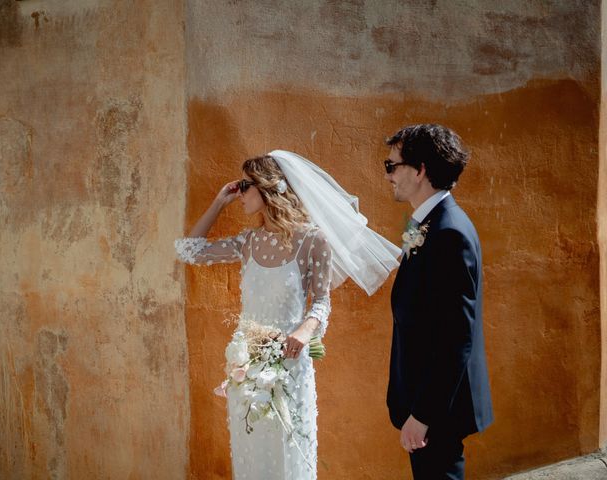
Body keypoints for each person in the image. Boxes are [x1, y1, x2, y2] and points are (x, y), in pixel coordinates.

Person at [175, 150, 400, 479]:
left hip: (291, 367)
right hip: (248, 369)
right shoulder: (249, 242)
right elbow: (188, 250)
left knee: (290, 456)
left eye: (245, 186)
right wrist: (219, 202)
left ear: (268, 189)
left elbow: (321, 302)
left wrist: (306, 330)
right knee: (252, 457)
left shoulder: (312, 241)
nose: (240, 193)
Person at [384, 124, 494, 479]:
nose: (388, 175)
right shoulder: (432, 223)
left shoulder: (448, 233)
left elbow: (456, 335)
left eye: (392, 166)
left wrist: (424, 415)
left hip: (437, 410)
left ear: (420, 170)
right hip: (425, 399)